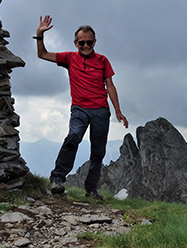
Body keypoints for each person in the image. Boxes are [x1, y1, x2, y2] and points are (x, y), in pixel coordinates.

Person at [34, 15, 128, 200]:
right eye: (82, 43)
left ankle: (91, 190)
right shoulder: (69, 58)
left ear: (95, 42)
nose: (86, 46)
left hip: (101, 110)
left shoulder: (102, 61)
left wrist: (118, 110)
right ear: (75, 43)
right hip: (79, 109)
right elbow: (42, 54)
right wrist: (39, 35)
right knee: (73, 136)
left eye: (89, 42)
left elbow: (110, 86)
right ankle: (57, 179)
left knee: (98, 151)